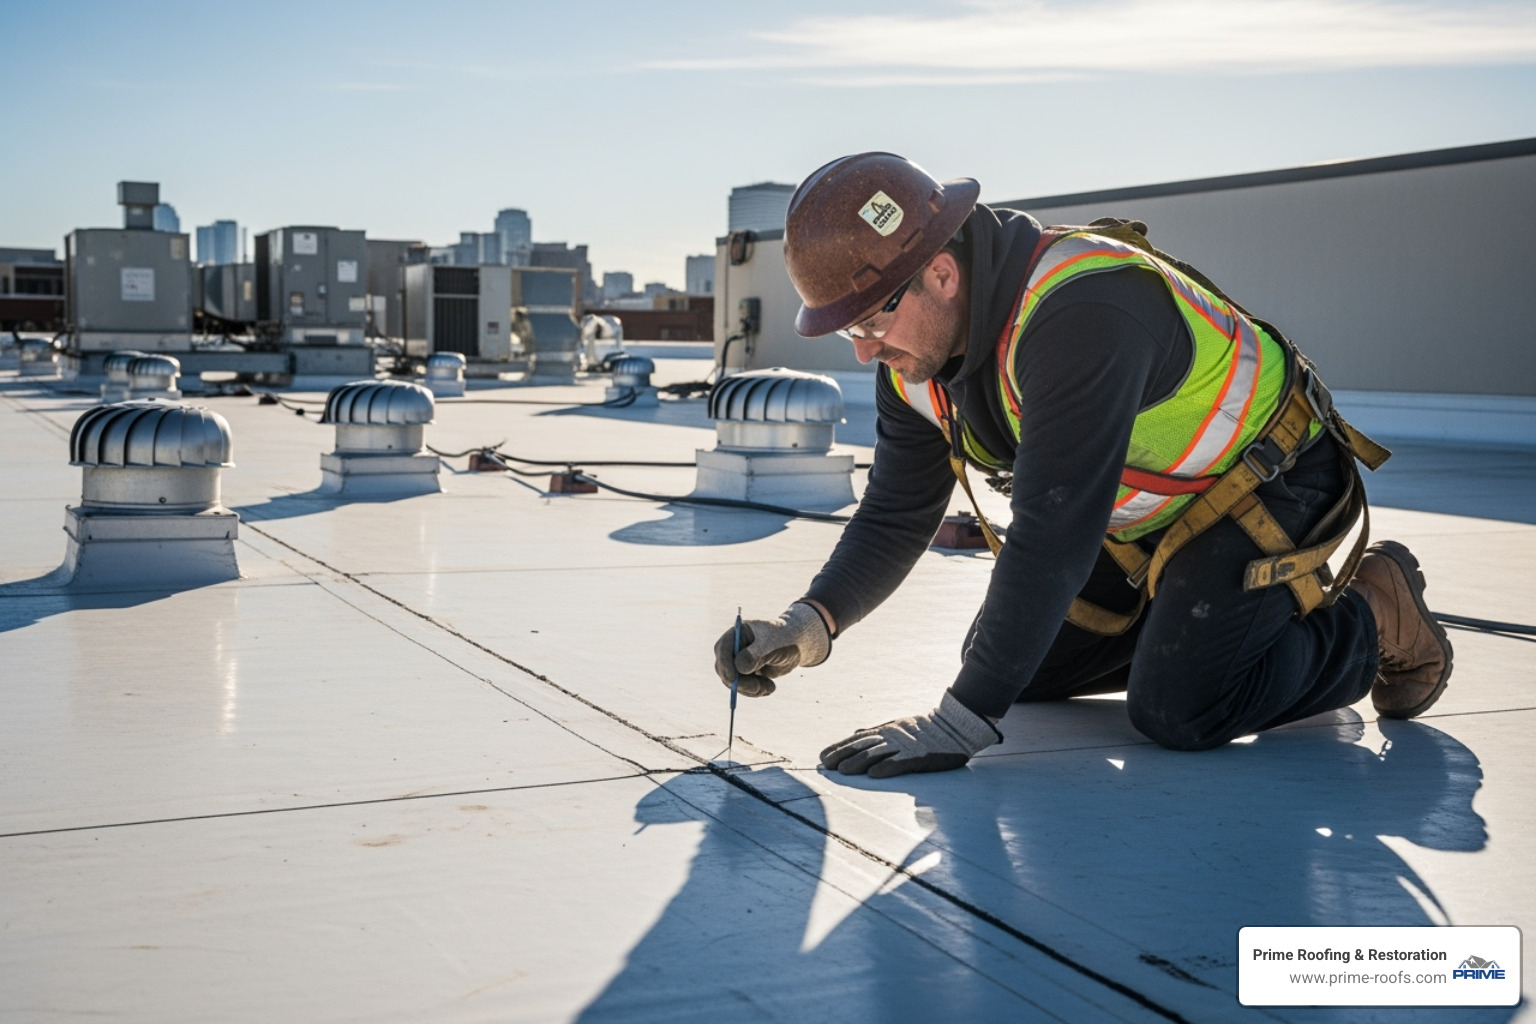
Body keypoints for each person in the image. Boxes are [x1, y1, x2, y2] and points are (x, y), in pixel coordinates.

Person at [711, 152, 1455, 778]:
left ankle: (1373, 612)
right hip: (1149, 517)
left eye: (873, 317)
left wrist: (962, 723)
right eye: (848, 330)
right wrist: (808, 624)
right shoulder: (914, 362)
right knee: (1013, 665)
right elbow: (896, 513)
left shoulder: (1082, 310)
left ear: (941, 274)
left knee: (1180, 708)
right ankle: (1193, 628)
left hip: (1271, 483)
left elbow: (1054, 532)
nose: (865, 349)